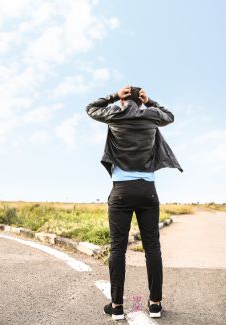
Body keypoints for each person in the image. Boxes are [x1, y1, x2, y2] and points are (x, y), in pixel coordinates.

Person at [85, 86, 183, 320]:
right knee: (153, 248)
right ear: (140, 101)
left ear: (122, 101)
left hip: (121, 191)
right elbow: (170, 116)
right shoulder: (151, 116)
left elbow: (90, 108)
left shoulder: (115, 114)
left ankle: (117, 307)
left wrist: (112, 96)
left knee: (117, 248)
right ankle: (155, 304)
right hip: (147, 190)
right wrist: (150, 102)